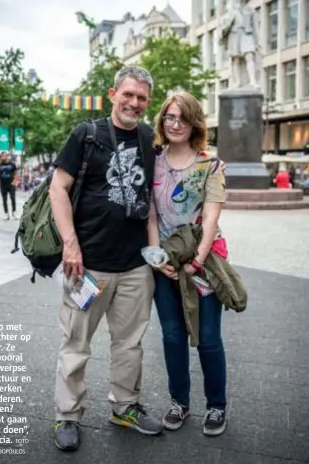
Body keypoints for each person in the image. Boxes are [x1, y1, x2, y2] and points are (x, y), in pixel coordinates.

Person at [49, 65, 163, 453]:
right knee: (76, 342)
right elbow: (58, 188)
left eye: (142, 97)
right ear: (112, 95)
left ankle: (125, 406)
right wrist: (70, 245)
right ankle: (68, 414)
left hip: (134, 267)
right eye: (128, 94)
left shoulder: (150, 138)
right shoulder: (87, 134)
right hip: (87, 266)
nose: (134, 102)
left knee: (129, 344)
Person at [148, 91, 228, 436]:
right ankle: (179, 402)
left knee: (208, 337)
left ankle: (216, 406)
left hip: (204, 262)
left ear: (194, 121)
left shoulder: (210, 164)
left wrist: (196, 261)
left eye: (182, 117)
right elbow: (150, 216)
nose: (175, 123)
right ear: (162, 121)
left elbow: (210, 217)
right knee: (172, 335)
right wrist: (156, 258)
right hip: (165, 262)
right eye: (169, 116)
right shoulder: (151, 161)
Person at [0, 152, 18, 220]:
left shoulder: (12, 164)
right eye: (2, 156)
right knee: (4, 200)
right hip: (3, 184)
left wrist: (14, 182)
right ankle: (6, 214)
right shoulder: (0, 164)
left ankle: (14, 213)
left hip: (11, 184)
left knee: (13, 198)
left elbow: (16, 173)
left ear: (7, 156)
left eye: (4, 156)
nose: (3, 157)